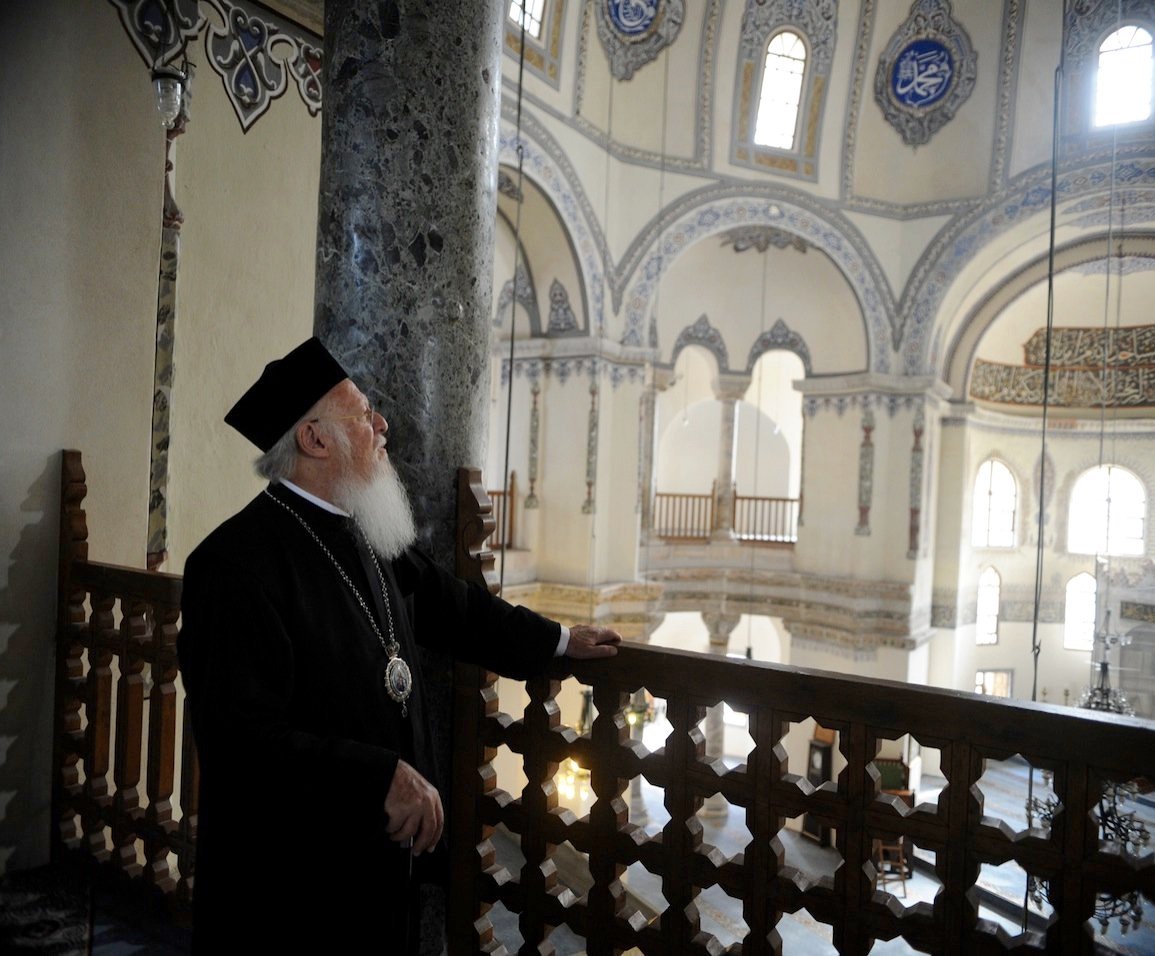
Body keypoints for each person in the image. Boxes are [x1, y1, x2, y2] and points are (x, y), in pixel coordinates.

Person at [178, 337, 620, 952]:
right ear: (315, 439)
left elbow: (455, 608)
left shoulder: (366, 530)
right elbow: (239, 741)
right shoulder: (233, 565)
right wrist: (376, 776)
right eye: (362, 413)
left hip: (382, 867)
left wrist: (560, 640)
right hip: (290, 890)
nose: (382, 423)